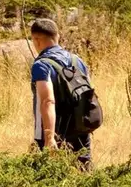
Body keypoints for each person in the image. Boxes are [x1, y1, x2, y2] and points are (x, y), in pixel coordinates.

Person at [29, 16, 96, 169]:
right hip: (81, 127)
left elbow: (48, 101)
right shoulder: (77, 60)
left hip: (54, 130)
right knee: (83, 172)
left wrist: (49, 137)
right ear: (57, 36)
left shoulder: (41, 65)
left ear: (36, 40)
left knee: (48, 179)